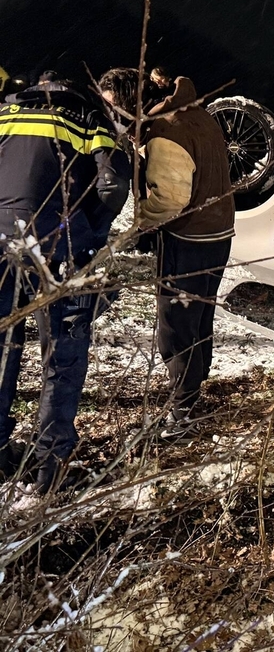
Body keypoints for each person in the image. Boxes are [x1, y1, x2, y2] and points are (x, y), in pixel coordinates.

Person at [0, 72, 130, 493]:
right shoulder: (90, 115)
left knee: (3, 346)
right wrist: (88, 237)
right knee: (62, 353)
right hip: (57, 245)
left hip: (2, 239)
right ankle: (49, 468)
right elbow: (112, 185)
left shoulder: (7, 110)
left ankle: (0, 450)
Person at [98, 68, 234, 438]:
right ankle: (193, 395)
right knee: (199, 318)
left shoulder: (167, 130)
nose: (111, 115)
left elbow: (171, 199)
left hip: (190, 240)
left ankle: (183, 412)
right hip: (217, 233)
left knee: (176, 328)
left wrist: (140, 224)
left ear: (130, 102)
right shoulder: (193, 112)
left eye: (113, 107)